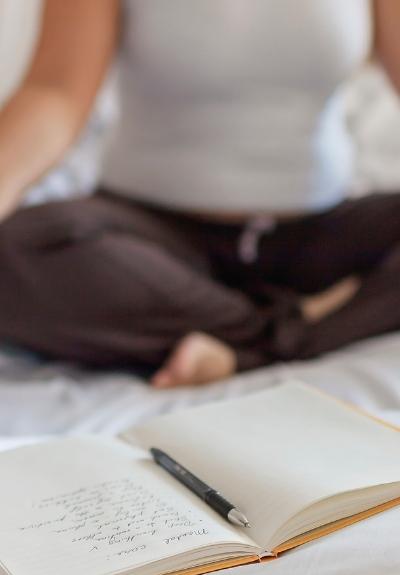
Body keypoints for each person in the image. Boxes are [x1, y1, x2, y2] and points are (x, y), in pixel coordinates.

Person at [0, 0, 400, 388]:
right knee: (16, 248)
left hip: (316, 237)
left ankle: (245, 345)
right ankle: (298, 327)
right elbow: (53, 94)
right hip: (153, 242)